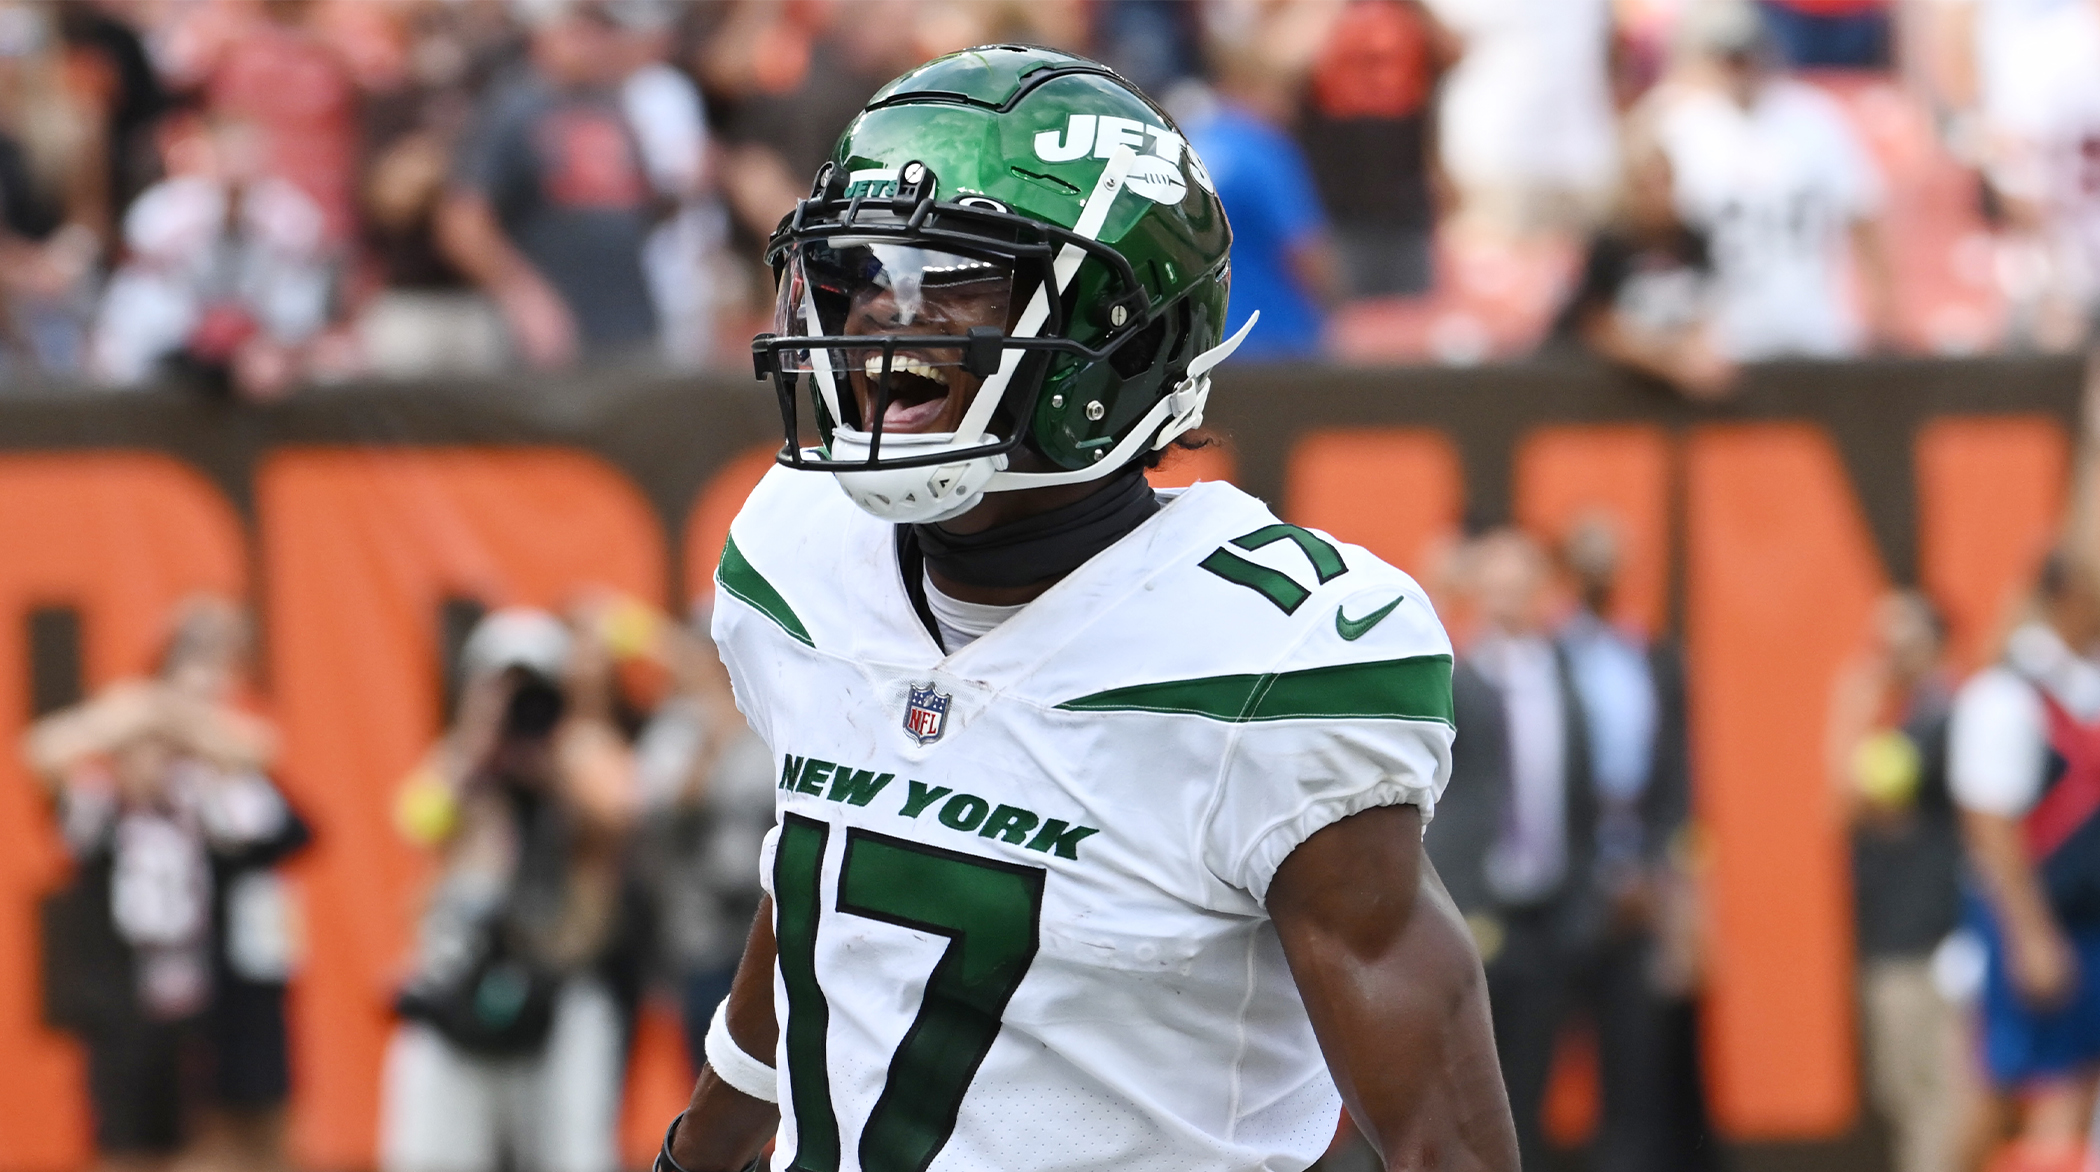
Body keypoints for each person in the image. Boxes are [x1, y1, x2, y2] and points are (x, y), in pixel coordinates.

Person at [660, 45, 1517, 1172]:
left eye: (945, 278)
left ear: (1119, 333)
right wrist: (704, 1146)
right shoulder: (799, 553)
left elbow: (1443, 1142)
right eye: (859, 272)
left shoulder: (1270, 658)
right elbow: (827, 883)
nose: (874, 317)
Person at [25, 596, 303, 1172]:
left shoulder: (198, 801)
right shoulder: (102, 812)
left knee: (212, 1142)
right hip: (123, 1011)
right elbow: (42, 753)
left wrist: (175, 719)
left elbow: (259, 760)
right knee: (126, 1145)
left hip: (197, 1007)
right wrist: (134, 714)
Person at [380, 607, 641, 1172]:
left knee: (572, 1154)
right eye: (502, 683)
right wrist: (480, 740)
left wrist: (554, 763)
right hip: (461, 984)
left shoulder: (583, 749)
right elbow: (417, 819)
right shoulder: (465, 756)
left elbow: (619, 813)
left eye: (531, 685)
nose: (518, 700)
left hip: (558, 986)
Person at [1949, 551, 2100, 1172]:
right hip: (2035, 921)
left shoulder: (2079, 685)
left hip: (2083, 921)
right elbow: (1990, 826)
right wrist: (2028, 934)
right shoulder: (2005, 695)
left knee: (2075, 1087)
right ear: (2067, 595)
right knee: (2011, 1091)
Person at [1649, 0, 1898, 362]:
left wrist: (1882, 312)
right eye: (1727, 56)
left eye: (1746, 53)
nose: (1740, 67)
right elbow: (1656, 239)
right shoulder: (1680, 127)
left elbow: (1863, 215)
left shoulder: (1815, 118)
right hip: (1724, 344)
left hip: (1814, 333)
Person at [1826, 590, 1969, 1172]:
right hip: (1900, 937)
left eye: (1900, 639)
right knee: (1909, 1100)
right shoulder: (1914, 717)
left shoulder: (1941, 718)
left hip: (1926, 942)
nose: (1885, 654)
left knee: (1934, 1102)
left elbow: (1846, 797)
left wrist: (1850, 707)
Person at [438, 0, 659, 369]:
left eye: (603, 30)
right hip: (554, 331)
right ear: (544, 32)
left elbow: (638, 209)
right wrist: (523, 295)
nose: (594, 42)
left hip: (630, 322)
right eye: (579, 29)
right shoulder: (514, 107)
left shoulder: (615, 103)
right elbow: (463, 220)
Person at [1180, 35, 1338, 360]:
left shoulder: (1187, 146)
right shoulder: (1265, 150)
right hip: (1275, 342)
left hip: (1204, 340)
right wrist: (1336, 305)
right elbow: (1304, 250)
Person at [1296, 0, 1458, 300]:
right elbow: (1275, 66)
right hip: (1337, 211)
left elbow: (1453, 51)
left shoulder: (1408, 16)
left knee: (1411, 329)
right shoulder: (1321, 18)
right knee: (1346, 332)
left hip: (1407, 209)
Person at [1548, 147, 1733, 400]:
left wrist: (1698, 353)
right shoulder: (1609, 247)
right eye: (1645, 186)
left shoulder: (1694, 242)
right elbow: (1593, 324)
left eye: (1663, 183)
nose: (1656, 196)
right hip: (1610, 394)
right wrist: (1670, 365)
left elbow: (1706, 308)